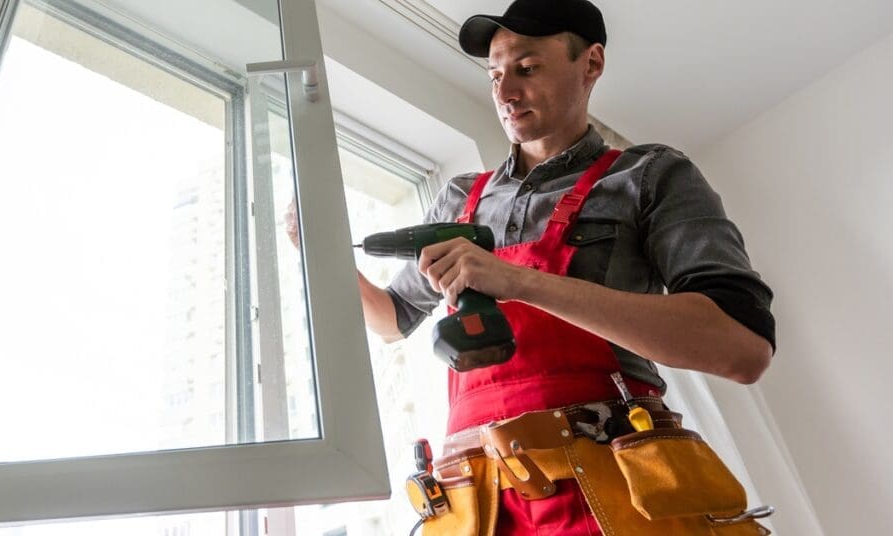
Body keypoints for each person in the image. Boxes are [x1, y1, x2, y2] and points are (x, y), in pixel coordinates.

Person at [290, 0, 775, 533]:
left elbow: (741, 348)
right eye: (494, 75)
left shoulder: (649, 174)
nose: (503, 93)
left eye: (526, 69)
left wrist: (518, 280)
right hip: (479, 499)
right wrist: (318, 249)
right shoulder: (459, 199)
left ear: (590, 64)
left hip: (614, 487)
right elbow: (390, 318)